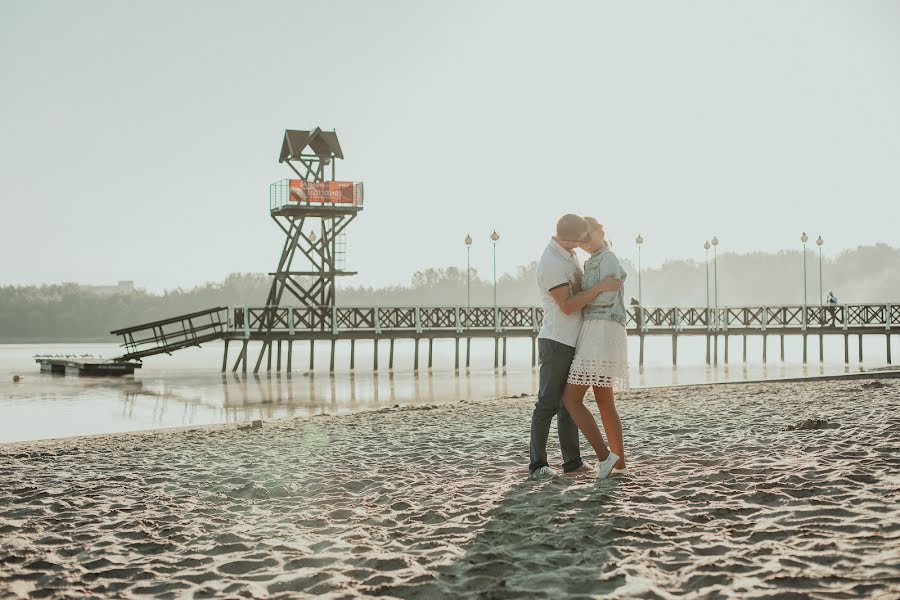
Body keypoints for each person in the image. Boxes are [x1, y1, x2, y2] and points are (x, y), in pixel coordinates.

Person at [529, 214, 623, 481]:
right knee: (547, 402)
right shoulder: (551, 262)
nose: (583, 245)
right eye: (579, 240)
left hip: (576, 339)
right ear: (568, 238)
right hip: (556, 339)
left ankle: (572, 462)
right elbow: (568, 305)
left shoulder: (569, 255)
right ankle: (537, 465)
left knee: (568, 405)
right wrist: (600, 289)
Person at [561, 217, 630, 480]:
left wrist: (583, 300)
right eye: (582, 241)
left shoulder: (608, 258)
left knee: (571, 398)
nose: (586, 244)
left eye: (589, 237)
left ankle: (607, 458)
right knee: (604, 400)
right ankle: (619, 464)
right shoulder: (592, 261)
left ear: (602, 232)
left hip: (602, 328)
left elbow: (607, 295)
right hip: (600, 328)